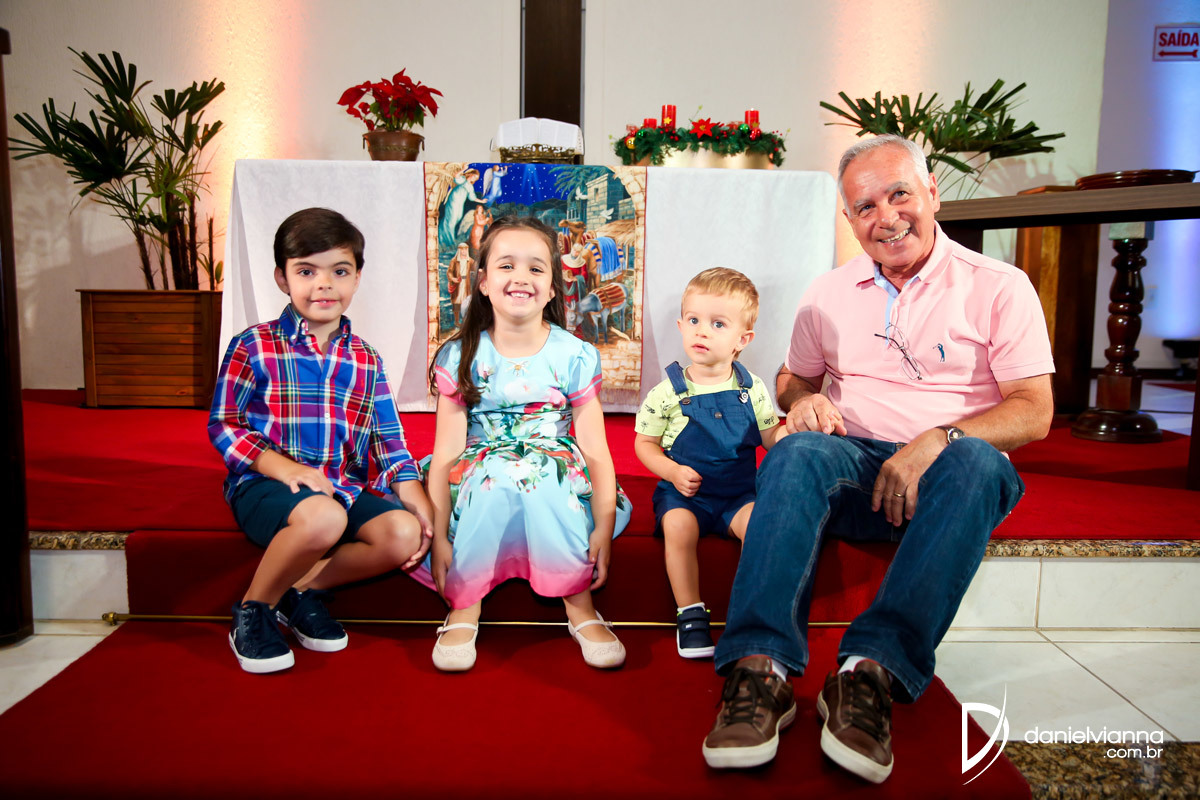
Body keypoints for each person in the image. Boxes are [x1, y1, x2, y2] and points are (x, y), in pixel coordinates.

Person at [700, 135, 1055, 782]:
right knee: (796, 451)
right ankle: (760, 669)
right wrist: (803, 399)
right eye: (866, 206)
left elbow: (1034, 410)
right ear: (849, 218)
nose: (886, 217)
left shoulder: (1000, 286)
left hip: (949, 475)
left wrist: (940, 438)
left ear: (932, 193)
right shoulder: (828, 291)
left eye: (899, 194)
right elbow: (793, 379)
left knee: (978, 465)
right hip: (854, 465)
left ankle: (869, 674)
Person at [209, 208, 434, 674]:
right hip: (268, 487)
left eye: (340, 271)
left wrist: (417, 500)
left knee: (402, 534)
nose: (324, 285)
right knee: (324, 517)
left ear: (357, 278)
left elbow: (389, 441)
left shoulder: (366, 359)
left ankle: (299, 590)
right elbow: (225, 424)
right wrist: (287, 469)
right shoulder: (253, 345)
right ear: (282, 278)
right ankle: (253, 609)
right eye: (307, 271)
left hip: (340, 489)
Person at [419, 215, 633, 672]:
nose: (521, 277)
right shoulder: (459, 355)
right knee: (497, 475)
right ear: (482, 282)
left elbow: (596, 449)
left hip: (555, 462)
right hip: (479, 463)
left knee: (541, 477)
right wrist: (439, 535)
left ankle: (580, 606)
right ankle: (464, 606)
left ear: (553, 288)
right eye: (506, 265)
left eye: (536, 268)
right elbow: (446, 453)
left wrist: (603, 524)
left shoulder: (574, 354)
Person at [633, 268, 785, 659]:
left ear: (742, 340)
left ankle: (752, 612)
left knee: (761, 526)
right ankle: (690, 613)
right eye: (694, 321)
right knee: (678, 528)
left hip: (738, 494)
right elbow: (644, 444)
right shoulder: (667, 392)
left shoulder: (751, 389)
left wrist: (790, 438)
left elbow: (770, 435)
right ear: (680, 326)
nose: (702, 332)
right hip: (686, 496)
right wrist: (671, 471)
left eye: (718, 324)